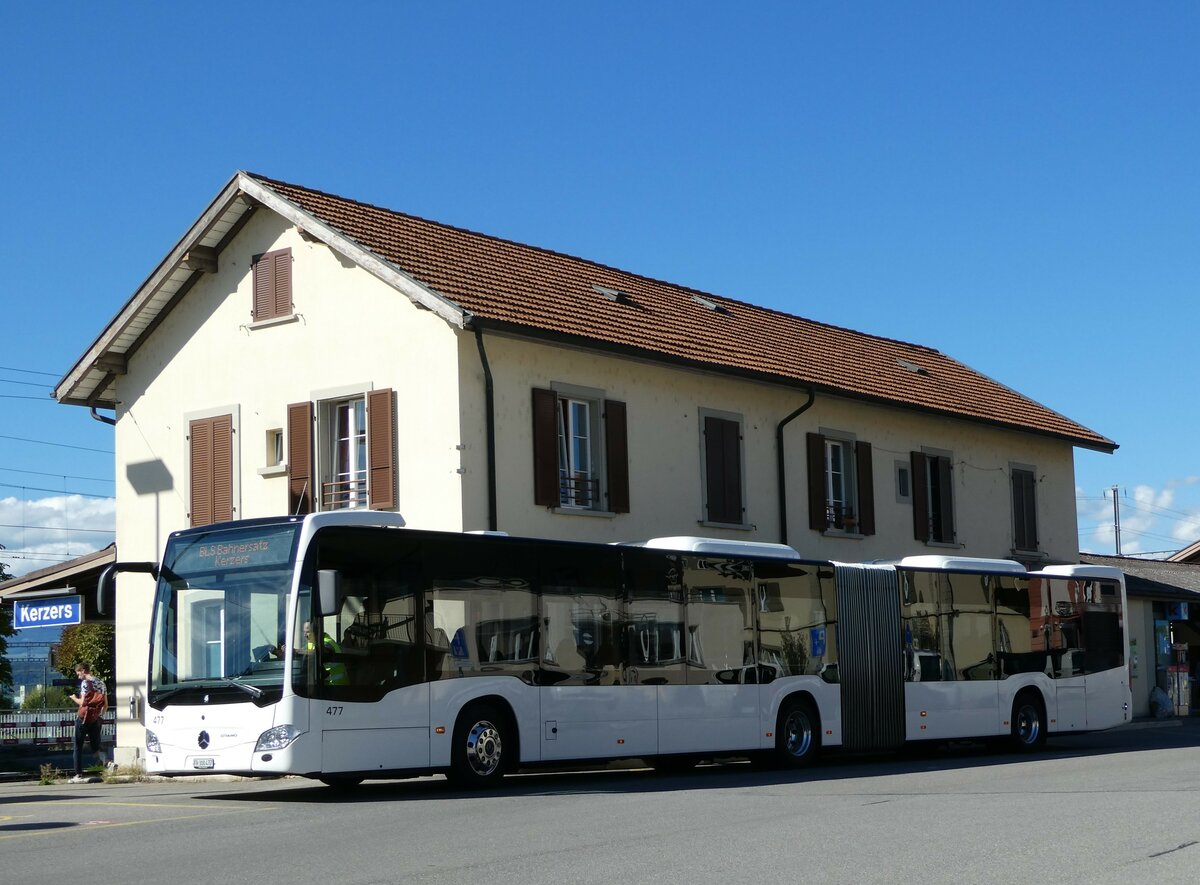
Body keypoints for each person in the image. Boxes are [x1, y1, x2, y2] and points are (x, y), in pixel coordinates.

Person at [68, 662, 107, 783]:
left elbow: (82, 703)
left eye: (78, 672)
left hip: (83, 718)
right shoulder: (101, 683)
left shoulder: (85, 683)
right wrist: (100, 716)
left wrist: (74, 698)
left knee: (78, 746)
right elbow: (106, 704)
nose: (78, 675)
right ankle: (108, 763)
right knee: (96, 745)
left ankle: (78, 774)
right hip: (95, 718)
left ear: (83, 670)